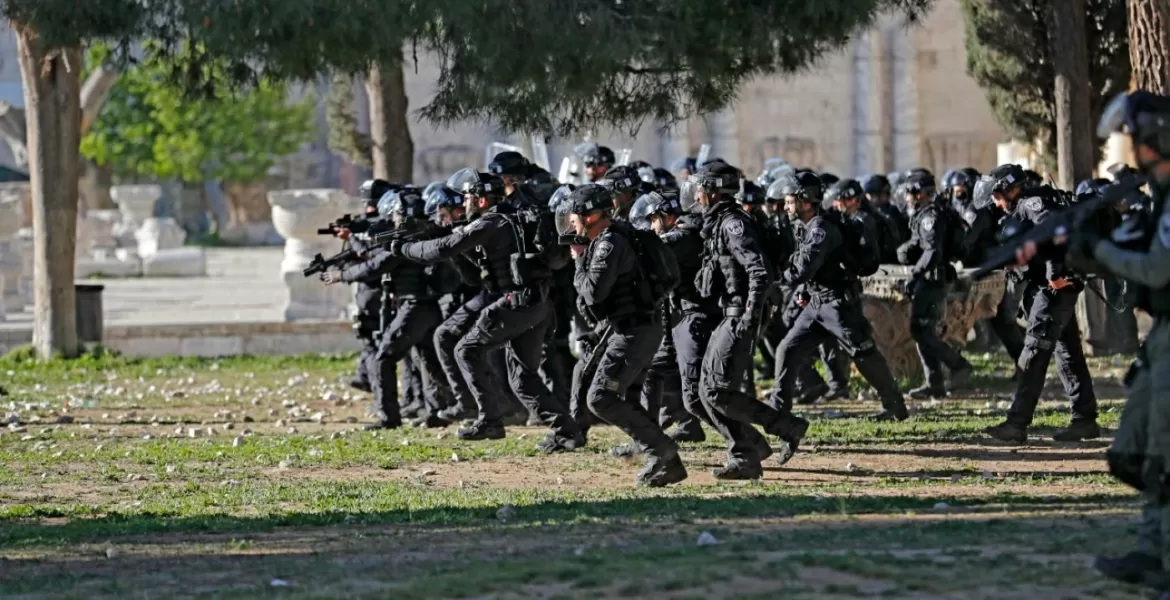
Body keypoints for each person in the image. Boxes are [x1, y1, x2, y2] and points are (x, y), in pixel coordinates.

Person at [1044, 90, 1170, 597]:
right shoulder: (1156, 195)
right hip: (1161, 338)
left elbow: (1157, 268)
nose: (1124, 146)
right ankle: (1150, 548)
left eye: (1131, 137)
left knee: (1163, 457)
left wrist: (1096, 251)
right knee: (1131, 454)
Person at [388, 169, 581, 451]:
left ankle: (489, 419)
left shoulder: (489, 224)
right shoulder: (509, 218)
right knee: (522, 377)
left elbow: (442, 249)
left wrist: (405, 249)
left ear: (480, 200)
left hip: (517, 303)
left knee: (466, 350)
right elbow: (471, 271)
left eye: (467, 197)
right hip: (537, 304)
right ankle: (567, 432)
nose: (463, 202)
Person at [690, 161, 807, 477]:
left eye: (701, 187)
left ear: (713, 190)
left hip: (740, 313)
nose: (697, 194)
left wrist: (750, 317)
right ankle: (751, 449)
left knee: (716, 391)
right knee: (704, 392)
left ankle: (776, 434)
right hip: (730, 312)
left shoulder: (733, 224)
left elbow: (758, 271)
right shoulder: (718, 222)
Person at [565, 184, 687, 486]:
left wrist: (579, 259)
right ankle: (662, 456)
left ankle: (662, 451)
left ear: (591, 216)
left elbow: (593, 294)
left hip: (635, 330)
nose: (572, 224)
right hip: (631, 327)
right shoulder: (618, 236)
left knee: (601, 397)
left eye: (576, 217)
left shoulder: (610, 244)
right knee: (625, 395)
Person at [767, 172, 909, 422]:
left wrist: (772, 273)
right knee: (787, 349)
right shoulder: (803, 225)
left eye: (790, 201)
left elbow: (801, 269)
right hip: (815, 303)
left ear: (806, 200)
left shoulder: (822, 229)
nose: (786, 206)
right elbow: (813, 271)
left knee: (863, 354)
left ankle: (895, 405)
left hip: (838, 305)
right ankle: (778, 412)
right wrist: (803, 291)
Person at [981, 163, 1099, 444]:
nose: (997, 204)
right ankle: (1084, 419)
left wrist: (1055, 274)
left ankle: (1016, 424)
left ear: (1010, 189)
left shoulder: (1032, 203)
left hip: (1055, 288)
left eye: (997, 197)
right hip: (1053, 287)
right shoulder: (1027, 204)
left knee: (1033, 353)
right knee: (1067, 350)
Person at [324, 187, 457, 429]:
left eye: (395, 215)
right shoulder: (425, 234)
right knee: (428, 361)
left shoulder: (405, 240)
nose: (391, 220)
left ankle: (389, 418)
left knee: (383, 357)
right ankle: (438, 413)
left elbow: (374, 266)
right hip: (430, 308)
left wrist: (340, 275)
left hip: (414, 307)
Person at [896, 170, 974, 398]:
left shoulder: (931, 216)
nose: (907, 198)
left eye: (910, 193)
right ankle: (934, 383)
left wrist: (915, 276)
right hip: (932, 279)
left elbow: (932, 251)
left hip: (933, 281)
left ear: (919, 194)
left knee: (921, 329)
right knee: (922, 330)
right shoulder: (929, 213)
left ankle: (959, 366)